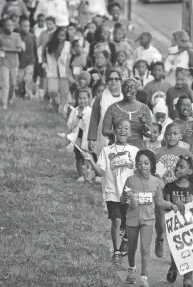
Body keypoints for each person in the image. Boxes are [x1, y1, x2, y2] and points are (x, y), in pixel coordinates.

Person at [84, 119, 139, 264]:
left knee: (130, 222)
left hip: (129, 193)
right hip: (112, 192)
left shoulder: (135, 151)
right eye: (119, 127)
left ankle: (125, 240)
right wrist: (91, 160)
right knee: (116, 221)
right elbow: (101, 172)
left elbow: (139, 172)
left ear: (130, 132)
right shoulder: (106, 151)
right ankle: (116, 251)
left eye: (126, 128)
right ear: (114, 131)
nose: (122, 130)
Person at [121, 149, 178, 287]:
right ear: (136, 165)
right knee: (132, 248)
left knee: (145, 249)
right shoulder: (130, 180)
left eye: (146, 163)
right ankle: (132, 269)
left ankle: (144, 277)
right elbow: (122, 200)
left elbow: (159, 201)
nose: (143, 166)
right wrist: (126, 197)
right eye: (139, 163)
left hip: (148, 220)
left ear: (152, 164)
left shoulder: (156, 182)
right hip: (132, 220)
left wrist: (170, 205)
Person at [155, 122, 193, 258]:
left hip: (178, 193)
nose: (171, 136)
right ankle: (160, 238)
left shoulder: (185, 152)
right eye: (168, 134)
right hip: (161, 192)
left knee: (177, 223)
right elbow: (152, 170)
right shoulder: (159, 152)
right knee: (161, 221)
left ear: (181, 137)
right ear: (164, 136)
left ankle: (176, 253)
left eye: (175, 134)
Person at [164, 156, 193, 287]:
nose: (178, 168)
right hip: (175, 226)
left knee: (190, 250)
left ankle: (187, 279)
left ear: (189, 172)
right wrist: (174, 204)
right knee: (176, 250)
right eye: (177, 166)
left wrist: (191, 202)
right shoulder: (169, 186)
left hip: (189, 224)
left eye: (182, 167)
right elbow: (166, 205)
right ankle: (174, 266)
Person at [102, 78, 152, 149]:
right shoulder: (112, 108)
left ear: (136, 90)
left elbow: (149, 134)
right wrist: (117, 134)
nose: (129, 90)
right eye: (126, 87)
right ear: (122, 89)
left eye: (132, 87)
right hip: (117, 149)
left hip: (137, 149)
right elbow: (105, 130)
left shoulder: (144, 108)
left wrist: (144, 125)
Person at [88, 70, 123, 158]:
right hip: (103, 136)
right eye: (110, 79)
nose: (113, 81)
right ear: (107, 82)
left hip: (123, 135)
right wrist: (91, 139)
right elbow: (94, 119)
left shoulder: (126, 97)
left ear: (121, 81)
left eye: (116, 79)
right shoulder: (100, 98)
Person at [43, 27, 73, 113]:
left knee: (64, 92)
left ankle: (62, 108)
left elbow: (69, 58)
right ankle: (52, 101)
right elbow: (44, 56)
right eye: (59, 35)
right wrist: (44, 64)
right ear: (56, 35)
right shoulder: (49, 45)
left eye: (63, 35)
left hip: (64, 72)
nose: (61, 37)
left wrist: (69, 70)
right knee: (53, 90)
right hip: (52, 71)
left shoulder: (68, 45)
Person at [67, 89, 92, 182]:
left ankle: (88, 172)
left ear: (88, 99)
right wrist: (77, 118)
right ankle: (80, 175)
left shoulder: (91, 111)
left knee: (88, 156)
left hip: (87, 137)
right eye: (80, 98)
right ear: (77, 99)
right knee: (78, 157)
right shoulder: (74, 111)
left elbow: (92, 124)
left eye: (85, 98)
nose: (82, 100)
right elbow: (70, 126)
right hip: (77, 138)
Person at [0, 17, 22, 110]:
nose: (10, 27)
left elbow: (19, 49)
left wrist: (7, 50)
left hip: (14, 63)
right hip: (3, 62)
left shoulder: (16, 36)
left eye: (11, 25)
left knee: (13, 83)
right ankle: (4, 103)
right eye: (7, 25)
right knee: (5, 84)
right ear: (3, 27)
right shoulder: (0, 37)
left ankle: (10, 98)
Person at [17, 16, 37, 100]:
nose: (26, 28)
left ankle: (28, 94)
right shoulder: (17, 36)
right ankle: (20, 91)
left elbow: (35, 48)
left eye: (28, 26)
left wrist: (35, 59)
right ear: (20, 26)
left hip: (30, 61)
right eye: (24, 26)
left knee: (28, 78)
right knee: (20, 79)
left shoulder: (32, 36)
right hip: (20, 61)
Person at [37, 16, 56, 99]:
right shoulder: (43, 33)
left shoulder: (56, 33)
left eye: (50, 24)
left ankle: (50, 95)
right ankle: (43, 94)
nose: (48, 26)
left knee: (53, 77)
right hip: (44, 57)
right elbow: (38, 45)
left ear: (55, 24)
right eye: (47, 24)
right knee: (43, 76)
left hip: (54, 58)